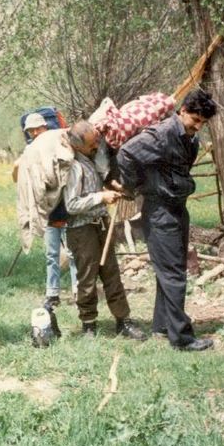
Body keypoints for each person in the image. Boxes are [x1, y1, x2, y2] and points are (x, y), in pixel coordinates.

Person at [116, 89, 217, 351]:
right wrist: (134, 186)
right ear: (182, 110)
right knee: (173, 274)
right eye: (195, 120)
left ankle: (162, 325)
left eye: (203, 123)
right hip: (159, 210)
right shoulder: (161, 134)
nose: (198, 126)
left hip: (177, 208)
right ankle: (182, 339)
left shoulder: (190, 139)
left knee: (171, 270)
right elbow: (126, 154)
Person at [63, 120, 146, 340]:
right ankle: (89, 326)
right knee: (87, 278)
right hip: (81, 231)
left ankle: (123, 322)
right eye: (91, 144)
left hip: (101, 225)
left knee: (112, 274)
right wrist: (101, 197)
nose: (95, 147)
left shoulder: (91, 161)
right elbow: (71, 205)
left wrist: (113, 189)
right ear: (78, 146)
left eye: (96, 142)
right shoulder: (73, 167)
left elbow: (99, 184)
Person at [13, 113, 78, 308]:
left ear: (45, 127)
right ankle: (52, 294)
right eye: (30, 130)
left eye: (37, 128)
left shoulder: (59, 142)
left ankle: (78, 290)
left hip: (67, 207)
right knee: (51, 255)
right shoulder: (30, 152)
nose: (34, 132)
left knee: (73, 253)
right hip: (47, 211)